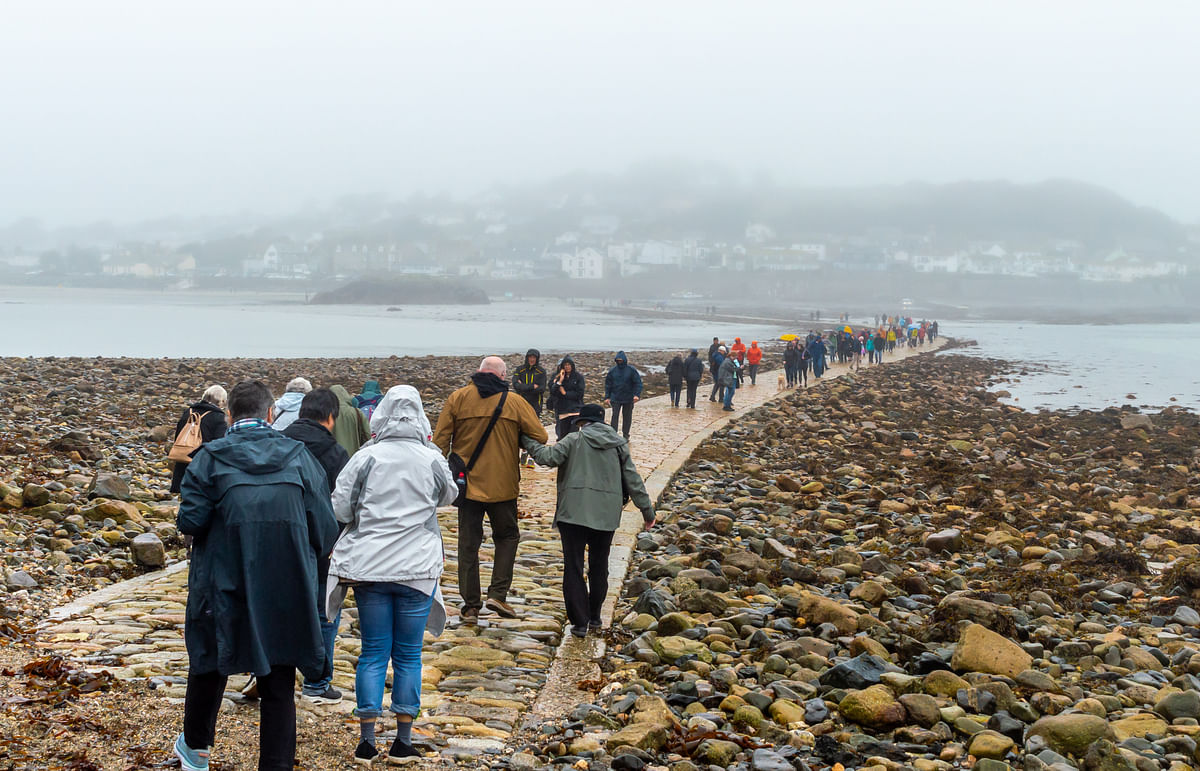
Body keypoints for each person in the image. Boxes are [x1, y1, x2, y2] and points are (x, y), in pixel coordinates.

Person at [173, 381, 338, 771]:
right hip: (284, 585)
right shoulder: (299, 456)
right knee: (278, 675)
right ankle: (275, 765)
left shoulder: (209, 458)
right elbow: (325, 530)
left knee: (210, 661)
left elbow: (191, 521)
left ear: (229, 415)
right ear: (270, 414)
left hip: (222, 580)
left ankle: (196, 750)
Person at [329, 385, 457, 765]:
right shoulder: (430, 457)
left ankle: (366, 741)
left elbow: (340, 507)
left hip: (370, 568)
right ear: (420, 415)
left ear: (381, 415)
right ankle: (402, 740)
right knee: (408, 656)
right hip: (416, 570)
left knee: (372, 653)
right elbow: (449, 496)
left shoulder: (366, 457)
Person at [520, 404, 654, 638]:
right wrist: (647, 511)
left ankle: (579, 623)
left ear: (582, 423)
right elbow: (633, 478)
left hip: (573, 513)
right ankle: (595, 616)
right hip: (606, 515)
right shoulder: (619, 444)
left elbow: (546, 458)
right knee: (599, 565)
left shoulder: (574, 440)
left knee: (573, 566)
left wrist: (525, 439)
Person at [433, 357, 548, 621]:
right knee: (507, 537)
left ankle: (471, 605)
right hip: (504, 486)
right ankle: (497, 594)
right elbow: (541, 436)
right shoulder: (515, 402)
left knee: (468, 544)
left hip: (467, 486)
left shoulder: (458, 398)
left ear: (478, 372)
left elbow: (439, 442)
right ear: (503, 375)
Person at [281, 389, 350, 705]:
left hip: (280, 539)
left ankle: (269, 673)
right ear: (331, 417)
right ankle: (317, 682)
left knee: (277, 606)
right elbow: (344, 504)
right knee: (326, 613)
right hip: (324, 544)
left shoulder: (279, 442)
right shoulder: (336, 454)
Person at [169, 385, 229, 494]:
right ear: (221, 401)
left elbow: (178, 435)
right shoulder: (218, 417)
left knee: (182, 498)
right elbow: (219, 444)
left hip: (182, 461)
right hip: (203, 464)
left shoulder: (189, 411)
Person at [604, 351, 643, 439]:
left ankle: (626, 434)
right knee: (614, 416)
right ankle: (613, 434)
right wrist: (607, 397)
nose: (619, 361)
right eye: (618, 360)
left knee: (627, 417)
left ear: (624, 360)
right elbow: (608, 384)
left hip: (628, 398)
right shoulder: (612, 371)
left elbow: (638, 383)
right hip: (615, 397)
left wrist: (637, 395)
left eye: (621, 360)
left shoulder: (631, 370)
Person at [547, 356, 585, 440]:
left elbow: (579, 394)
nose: (567, 367)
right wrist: (560, 381)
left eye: (569, 364)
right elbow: (553, 391)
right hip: (562, 410)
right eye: (565, 365)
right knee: (562, 437)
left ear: (572, 365)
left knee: (574, 436)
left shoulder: (578, 377)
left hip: (575, 410)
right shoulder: (557, 376)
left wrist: (565, 393)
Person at [329, 385, 371, 456]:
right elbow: (367, 434)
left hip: (332, 458)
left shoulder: (325, 413)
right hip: (354, 457)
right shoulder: (356, 412)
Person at [512, 348, 548, 416]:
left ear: (537, 359)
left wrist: (523, 387)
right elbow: (515, 385)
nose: (532, 359)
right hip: (521, 402)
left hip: (535, 404)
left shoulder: (541, 371)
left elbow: (541, 389)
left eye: (534, 357)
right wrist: (532, 386)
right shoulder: (520, 369)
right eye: (530, 357)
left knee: (534, 426)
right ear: (527, 358)